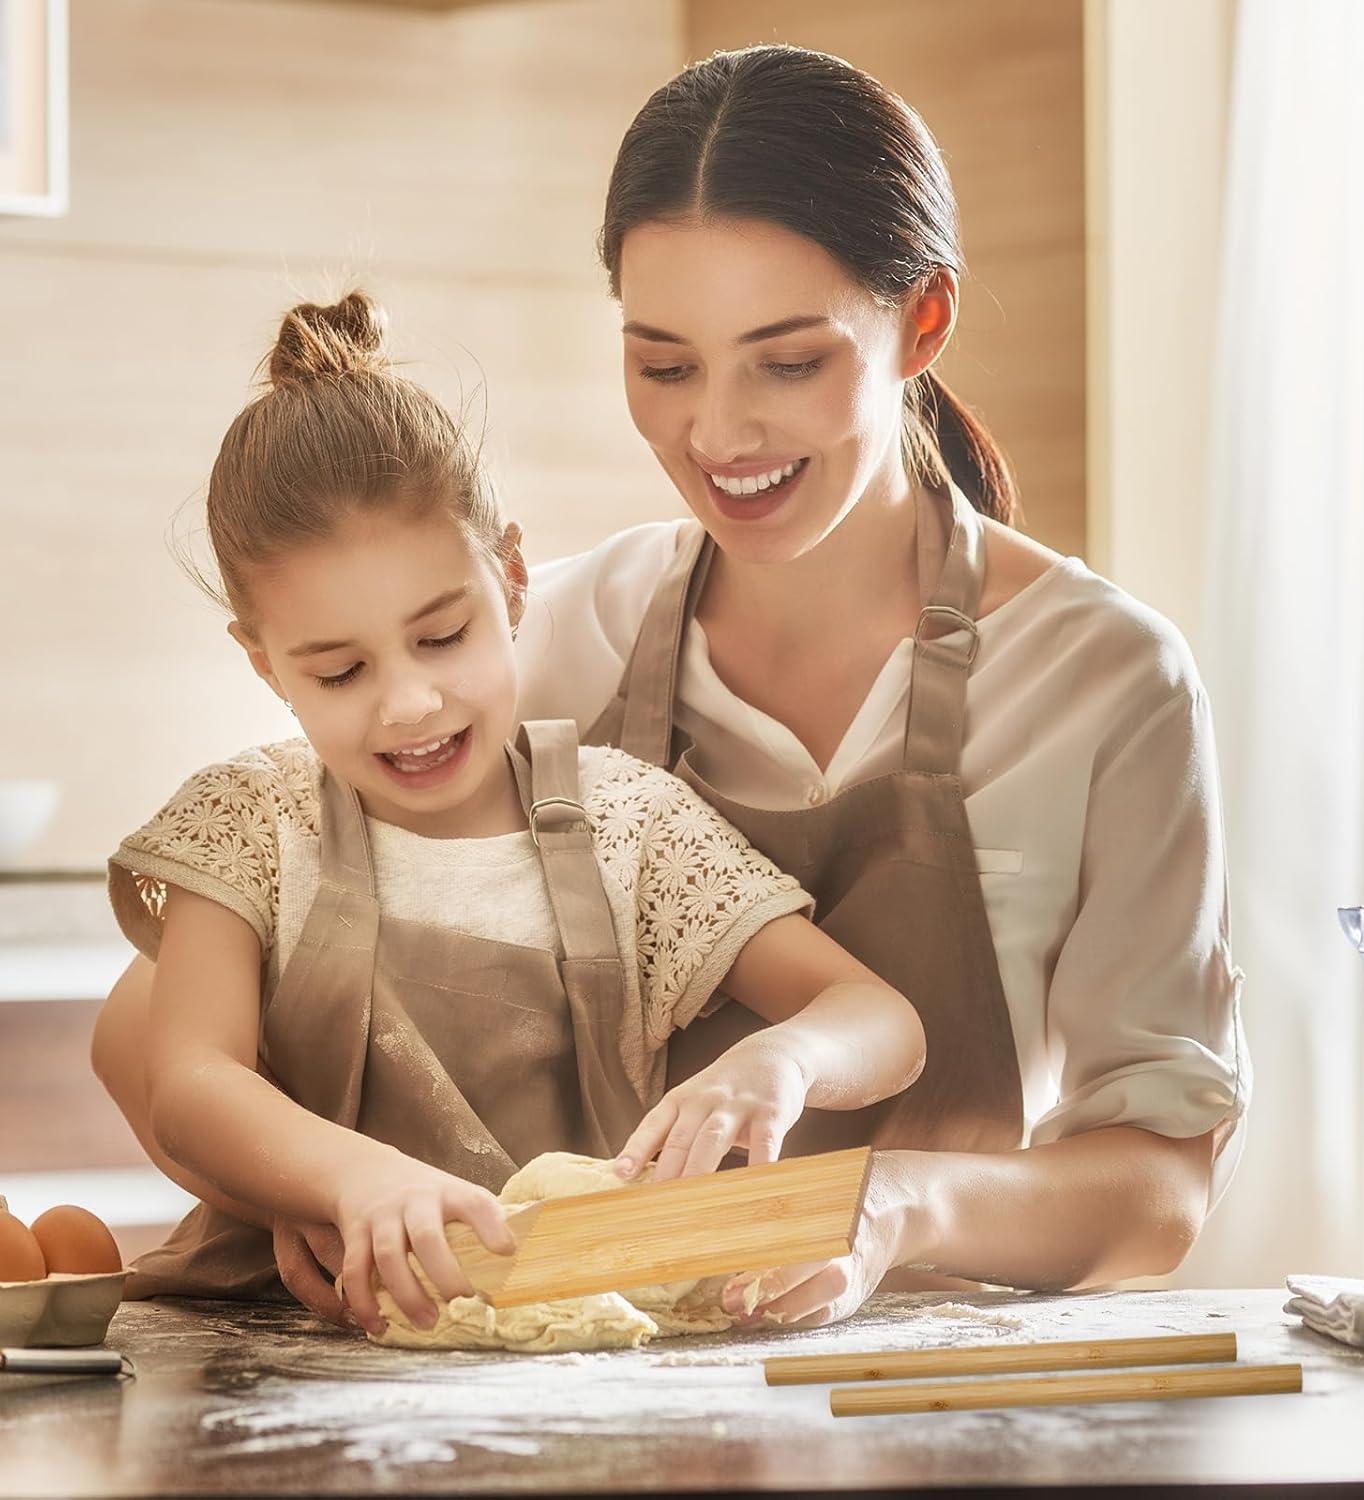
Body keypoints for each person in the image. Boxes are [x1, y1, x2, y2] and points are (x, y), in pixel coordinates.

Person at [511, 45, 1250, 1326]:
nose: (720, 436)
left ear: (923, 322)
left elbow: (1159, 1192)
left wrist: (887, 1210)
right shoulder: (560, 639)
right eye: (665, 364)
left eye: (788, 361)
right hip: (570, 1390)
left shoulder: (1104, 680)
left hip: (924, 1402)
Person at [94, 290, 926, 1339]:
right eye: (340, 670)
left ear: (514, 579)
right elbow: (190, 1082)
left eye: (442, 638)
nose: (408, 702)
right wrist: (340, 1183)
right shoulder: (252, 823)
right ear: (265, 665)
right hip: (279, 1338)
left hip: (583, 1341)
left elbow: (881, 1019)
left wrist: (783, 1061)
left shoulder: (633, 824)